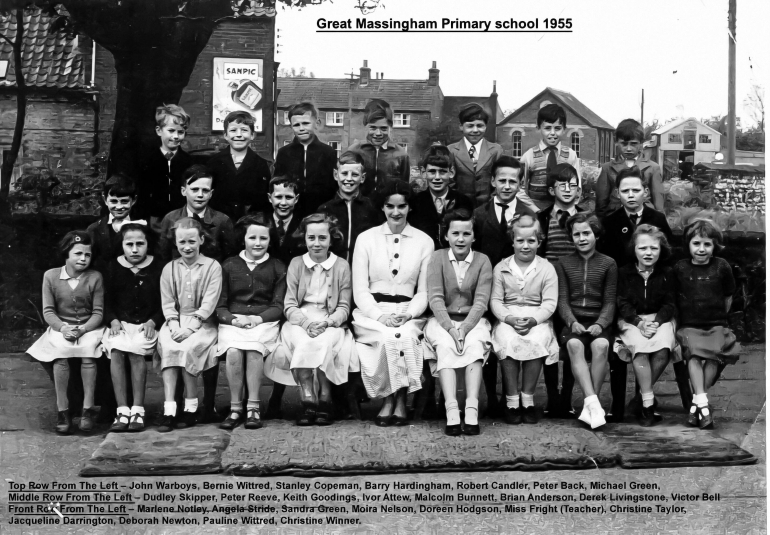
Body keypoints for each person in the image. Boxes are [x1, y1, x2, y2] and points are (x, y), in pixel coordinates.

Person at [598, 165, 681, 422]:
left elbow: (667, 257)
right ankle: (643, 401)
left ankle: (640, 400)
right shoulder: (611, 222)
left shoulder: (657, 219)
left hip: (656, 294)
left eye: (636, 189)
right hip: (627, 295)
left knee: (661, 346)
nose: (631, 195)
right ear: (617, 193)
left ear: (646, 191)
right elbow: (609, 264)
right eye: (625, 191)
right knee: (637, 344)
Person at [352, 181, 434, 426]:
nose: (396, 212)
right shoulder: (366, 239)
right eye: (390, 206)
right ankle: (388, 399)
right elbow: (360, 289)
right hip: (372, 313)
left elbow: (424, 291)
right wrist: (379, 316)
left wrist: (409, 315)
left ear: (410, 208)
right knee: (388, 337)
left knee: (406, 336)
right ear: (383, 208)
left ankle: (400, 401)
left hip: (408, 312)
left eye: (402, 206)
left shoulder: (424, 241)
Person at [267, 213, 354, 426]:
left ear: (331, 239)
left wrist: (328, 322)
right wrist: (306, 323)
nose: (316, 244)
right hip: (299, 320)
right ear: (304, 239)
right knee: (304, 342)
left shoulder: (341, 265)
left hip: (329, 320)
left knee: (323, 342)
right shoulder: (297, 264)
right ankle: (308, 399)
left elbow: (344, 306)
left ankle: (325, 397)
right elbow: (289, 304)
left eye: (322, 238)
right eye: (311, 238)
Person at [473, 155, 535, 417]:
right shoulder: (479, 213)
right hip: (486, 287)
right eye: (502, 180)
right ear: (492, 181)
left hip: (517, 289)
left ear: (520, 183)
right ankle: (491, 397)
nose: (507, 186)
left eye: (513, 181)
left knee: (515, 341)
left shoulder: (529, 215)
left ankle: (519, 396)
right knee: (488, 340)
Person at [26, 231, 106, 434]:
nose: (83, 259)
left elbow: (98, 312)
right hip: (61, 327)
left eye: (87, 255)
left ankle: (87, 409)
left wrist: (84, 329)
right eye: (78, 253)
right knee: (60, 354)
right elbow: (48, 311)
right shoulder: (51, 276)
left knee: (89, 351)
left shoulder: (95, 277)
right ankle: (63, 411)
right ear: (66, 254)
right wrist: (63, 328)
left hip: (89, 328)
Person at [423, 209, 493, 436]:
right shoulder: (437, 258)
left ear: (474, 236)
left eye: (466, 233)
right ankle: (451, 409)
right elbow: (435, 298)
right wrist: (451, 329)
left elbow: (481, 301)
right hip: (443, 321)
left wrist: (464, 328)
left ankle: (471, 408)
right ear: (446, 236)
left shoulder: (482, 261)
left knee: (474, 345)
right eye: (455, 233)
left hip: (473, 321)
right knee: (445, 345)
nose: (460, 239)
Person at [216, 214, 287, 431]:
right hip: (234, 322)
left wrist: (258, 318)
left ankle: (253, 407)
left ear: (269, 240)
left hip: (264, 322)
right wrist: (233, 319)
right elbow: (220, 305)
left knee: (255, 350)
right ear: (243, 239)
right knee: (234, 352)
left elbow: (278, 305)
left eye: (263, 238)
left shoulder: (277, 266)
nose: (257, 243)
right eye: (252, 238)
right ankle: (236, 407)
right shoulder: (229, 265)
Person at [155, 217, 222, 432]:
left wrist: (190, 327)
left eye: (192, 241)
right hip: (175, 320)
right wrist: (174, 326)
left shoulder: (212, 267)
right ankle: (169, 408)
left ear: (201, 240)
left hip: (203, 323)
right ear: (175, 243)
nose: (187, 247)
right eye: (182, 242)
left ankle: (191, 406)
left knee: (190, 347)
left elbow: (209, 302)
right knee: (170, 345)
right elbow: (167, 302)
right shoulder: (169, 269)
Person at [491, 214, 559, 426]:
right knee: (506, 339)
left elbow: (549, 303)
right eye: (520, 240)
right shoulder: (501, 267)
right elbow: (495, 300)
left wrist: (533, 320)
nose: (525, 246)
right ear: (512, 241)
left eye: (531, 241)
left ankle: (527, 399)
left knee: (536, 340)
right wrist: (509, 318)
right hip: (509, 316)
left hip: (537, 316)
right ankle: (512, 400)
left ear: (539, 241)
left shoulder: (546, 268)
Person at [674, 220, 740, 430]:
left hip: (715, 323)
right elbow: (674, 298)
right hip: (689, 325)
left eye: (707, 244)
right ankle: (703, 405)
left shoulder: (722, 266)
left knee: (713, 355)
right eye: (696, 244)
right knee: (694, 354)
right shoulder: (680, 268)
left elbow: (728, 297)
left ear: (715, 246)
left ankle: (697, 405)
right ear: (688, 245)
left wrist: (718, 317)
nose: (701, 249)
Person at [555, 213, 617, 429]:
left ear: (596, 235)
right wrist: (572, 322)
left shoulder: (608, 264)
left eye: (586, 233)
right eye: (577, 234)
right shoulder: (563, 263)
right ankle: (594, 404)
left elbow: (610, 302)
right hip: (574, 322)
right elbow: (562, 300)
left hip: (599, 322)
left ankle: (590, 404)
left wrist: (600, 323)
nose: (582, 238)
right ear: (571, 238)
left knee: (601, 345)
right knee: (573, 344)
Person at [102, 223, 163, 433]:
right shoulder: (112, 267)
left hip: (147, 324)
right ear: (122, 245)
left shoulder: (158, 267)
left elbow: (166, 301)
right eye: (129, 244)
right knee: (117, 350)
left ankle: (138, 409)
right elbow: (105, 301)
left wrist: (154, 320)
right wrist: (112, 320)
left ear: (148, 244)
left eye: (140, 244)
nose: (134, 249)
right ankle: (122, 409)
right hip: (120, 323)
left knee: (137, 351)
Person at [616, 225, 677, 427]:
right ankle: (648, 404)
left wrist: (656, 322)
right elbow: (622, 302)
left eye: (654, 248)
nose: (648, 253)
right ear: (634, 249)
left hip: (660, 319)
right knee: (639, 351)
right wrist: (639, 323)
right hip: (632, 320)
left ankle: (640, 397)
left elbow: (670, 303)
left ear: (662, 250)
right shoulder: (624, 273)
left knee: (662, 349)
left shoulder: (667, 273)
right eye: (642, 248)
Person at [536, 163, 584, 418]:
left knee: (571, 342)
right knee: (550, 341)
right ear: (551, 189)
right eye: (562, 185)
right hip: (547, 288)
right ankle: (552, 397)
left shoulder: (586, 218)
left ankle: (567, 398)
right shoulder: (542, 218)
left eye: (572, 184)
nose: (568, 190)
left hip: (576, 288)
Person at [157, 165, 237, 264]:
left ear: (211, 194)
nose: (200, 195)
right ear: (183, 191)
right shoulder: (171, 219)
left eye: (205, 190)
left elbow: (229, 257)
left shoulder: (222, 221)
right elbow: (164, 254)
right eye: (194, 190)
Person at [273, 102, 338, 214]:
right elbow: (278, 182)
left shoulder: (328, 152)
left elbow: (332, 184)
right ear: (291, 126)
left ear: (316, 123)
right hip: (291, 210)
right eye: (296, 125)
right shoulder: (284, 153)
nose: (301, 128)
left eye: (306, 123)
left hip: (320, 209)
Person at [136, 104, 193, 229]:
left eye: (181, 132)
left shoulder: (188, 162)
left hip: (181, 220)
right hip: (153, 220)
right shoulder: (146, 161)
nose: (176, 136)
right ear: (159, 130)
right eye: (171, 131)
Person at [207, 110, 272, 220]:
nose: (238, 135)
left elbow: (264, 200)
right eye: (233, 130)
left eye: (244, 130)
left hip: (251, 222)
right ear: (225, 135)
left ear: (252, 135)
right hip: (219, 221)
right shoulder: (213, 162)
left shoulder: (261, 165)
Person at [318, 151, 382, 262]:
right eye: (344, 173)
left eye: (355, 174)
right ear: (335, 175)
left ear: (362, 178)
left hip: (363, 266)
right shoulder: (325, 209)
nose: (349, 179)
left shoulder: (371, 207)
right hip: (333, 268)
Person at [595, 118, 665, 219]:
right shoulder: (607, 168)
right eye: (624, 144)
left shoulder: (653, 168)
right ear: (616, 142)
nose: (628, 148)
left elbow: (659, 203)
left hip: (645, 219)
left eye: (633, 144)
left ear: (641, 143)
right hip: (615, 219)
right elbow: (601, 204)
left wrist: (659, 223)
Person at [409, 145, 474, 250]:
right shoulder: (415, 202)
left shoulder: (463, 202)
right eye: (432, 171)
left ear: (451, 172)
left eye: (443, 172)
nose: (437, 177)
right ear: (423, 172)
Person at [519, 103, 582, 212]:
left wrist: (570, 209)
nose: (552, 133)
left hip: (564, 212)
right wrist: (536, 210)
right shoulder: (528, 156)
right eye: (547, 128)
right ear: (538, 128)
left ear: (564, 129)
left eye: (557, 128)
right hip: (536, 212)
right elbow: (520, 189)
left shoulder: (571, 155)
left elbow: (577, 186)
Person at [347, 99, 410, 199]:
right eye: (373, 128)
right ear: (365, 126)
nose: (378, 133)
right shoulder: (354, 151)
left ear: (390, 127)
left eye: (384, 128)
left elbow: (405, 188)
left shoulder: (401, 155)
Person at [447, 103, 505, 207]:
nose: (475, 130)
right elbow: (450, 182)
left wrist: (491, 205)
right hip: (460, 209)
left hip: (489, 207)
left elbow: (500, 180)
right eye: (470, 126)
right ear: (461, 127)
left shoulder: (496, 150)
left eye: (480, 126)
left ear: (485, 126)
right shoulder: (451, 150)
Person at [87, 173, 143, 274]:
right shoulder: (95, 229)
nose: (118, 207)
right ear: (105, 200)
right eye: (113, 201)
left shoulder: (142, 227)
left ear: (134, 200)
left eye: (124, 201)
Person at [266, 175, 305, 266]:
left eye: (288, 197)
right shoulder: (262, 223)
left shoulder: (303, 225)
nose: (283, 203)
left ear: (296, 199)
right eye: (278, 197)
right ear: (269, 198)